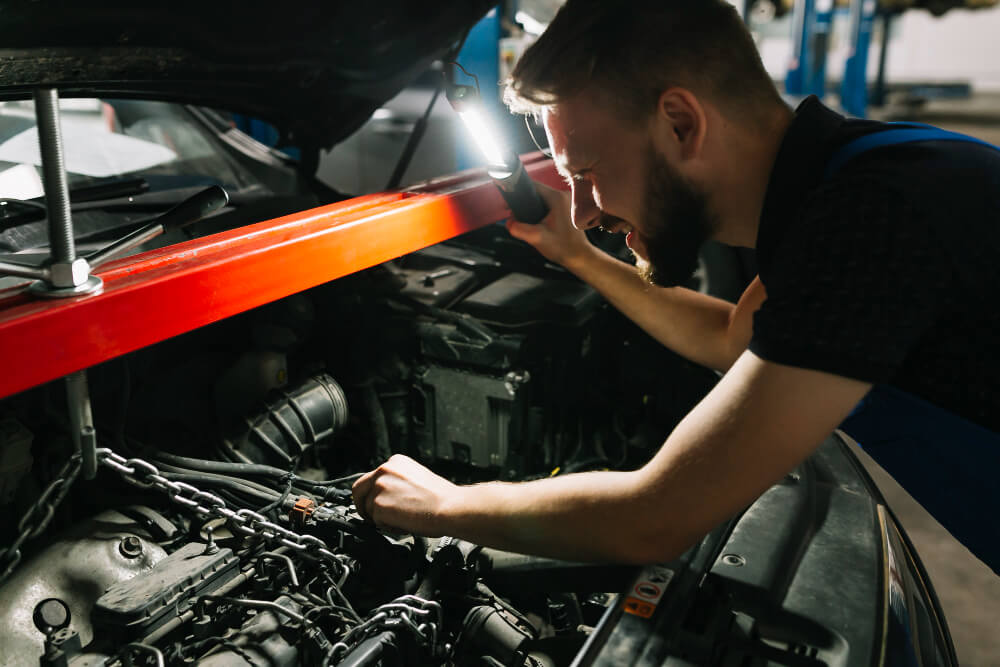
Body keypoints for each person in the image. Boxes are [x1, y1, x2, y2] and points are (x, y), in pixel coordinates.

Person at [353, 0, 1000, 573]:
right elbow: (732, 337)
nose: (583, 211)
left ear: (681, 123)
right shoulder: (847, 176)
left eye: (587, 172)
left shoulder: (873, 221)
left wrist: (443, 504)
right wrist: (577, 255)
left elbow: (657, 518)